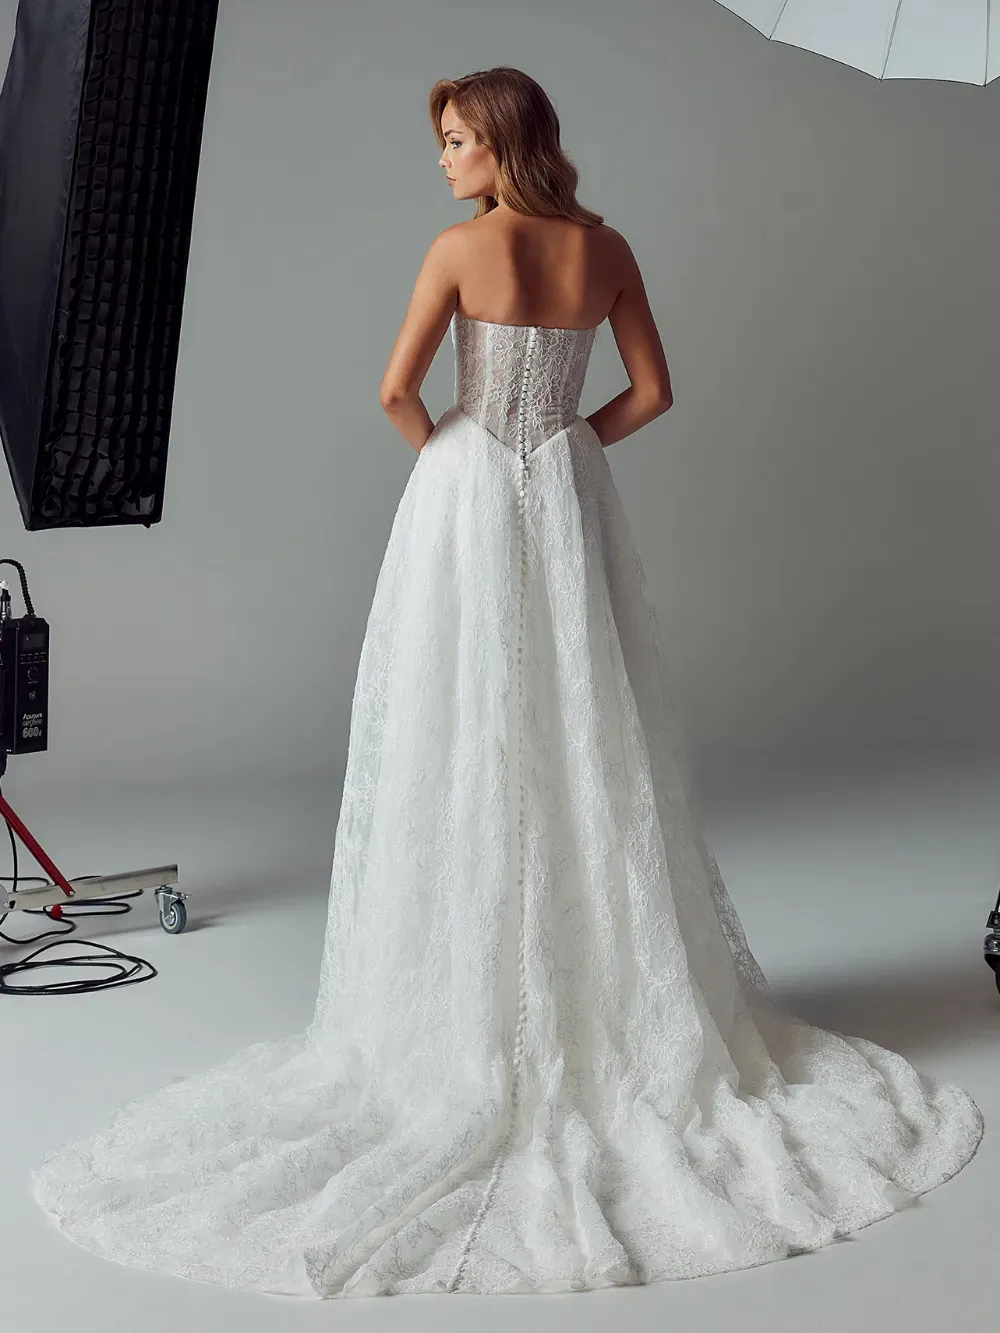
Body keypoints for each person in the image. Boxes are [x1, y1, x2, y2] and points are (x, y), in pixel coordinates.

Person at [30, 65, 983, 1300]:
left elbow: (396, 393)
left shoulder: (457, 252)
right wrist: (568, 448)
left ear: (501, 143)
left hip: (467, 491)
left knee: (462, 720)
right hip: (568, 494)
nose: (442, 159)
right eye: (441, 141)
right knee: (582, 718)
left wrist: (458, 468)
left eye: (457, 140)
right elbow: (653, 393)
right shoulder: (607, 249)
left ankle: (470, 999)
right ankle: (600, 999)